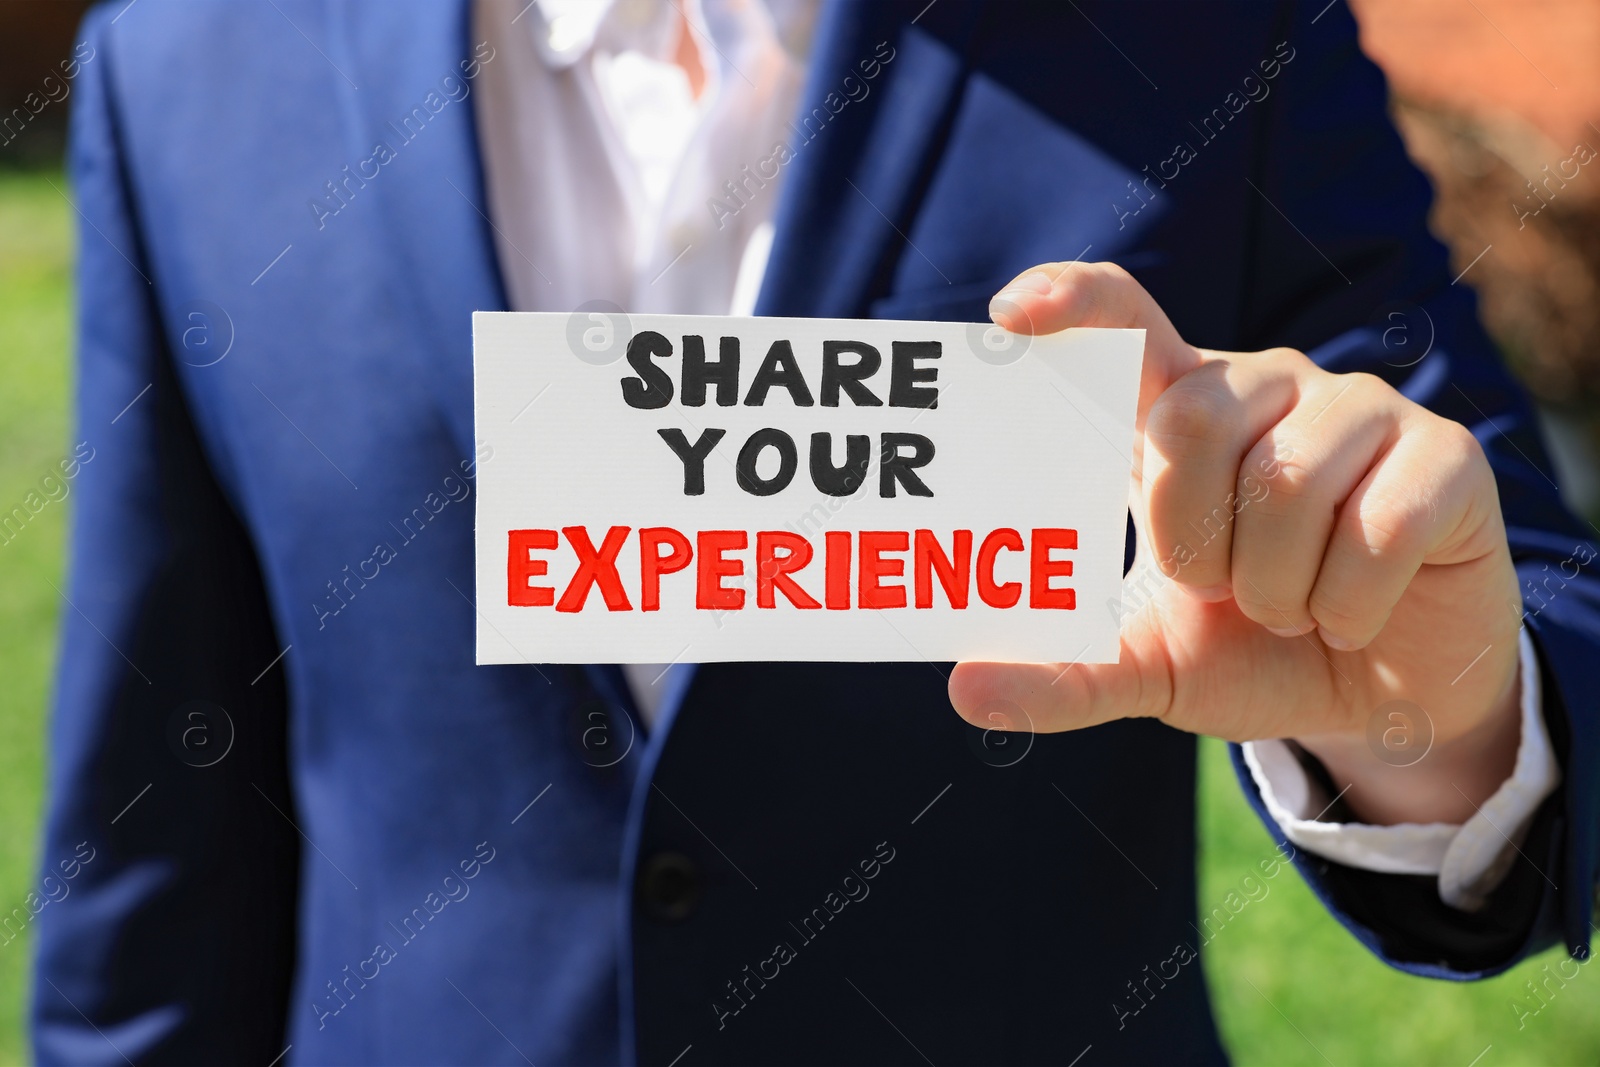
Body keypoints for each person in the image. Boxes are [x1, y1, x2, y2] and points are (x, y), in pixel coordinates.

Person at [32, 1, 1599, 1064]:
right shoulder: (189, 56)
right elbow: (164, 794)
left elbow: (1503, 585)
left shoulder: (1202, 28)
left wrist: (1440, 711)